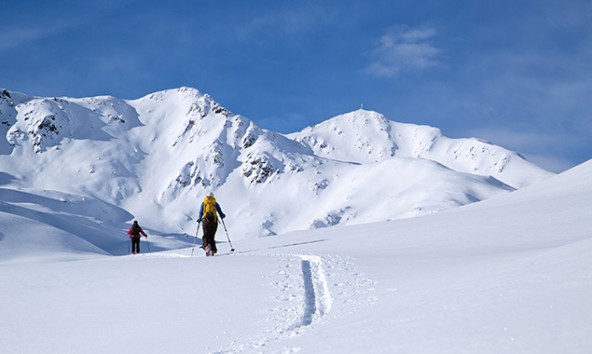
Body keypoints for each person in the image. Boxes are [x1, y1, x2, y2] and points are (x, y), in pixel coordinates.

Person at [196, 192, 225, 256]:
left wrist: (199, 219)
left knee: (206, 235)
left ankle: (206, 246)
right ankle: (213, 249)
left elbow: (200, 212)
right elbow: (220, 211)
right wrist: (222, 215)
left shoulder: (204, 203)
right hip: (214, 221)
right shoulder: (214, 203)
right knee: (212, 236)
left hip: (206, 221)